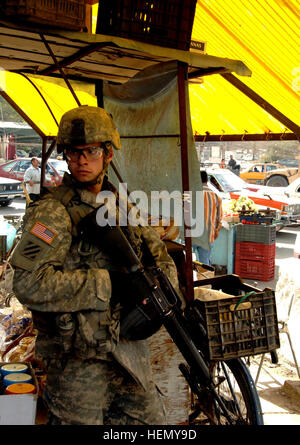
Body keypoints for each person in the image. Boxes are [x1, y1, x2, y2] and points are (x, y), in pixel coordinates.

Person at [10, 105, 181, 425]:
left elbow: (158, 255)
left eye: (90, 151)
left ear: (107, 154)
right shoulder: (52, 211)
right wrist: (107, 283)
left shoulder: (121, 204)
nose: (82, 160)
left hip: (128, 354)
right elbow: (28, 283)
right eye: (73, 153)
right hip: (77, 366)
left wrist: (158, 290)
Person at [192, 170, 223, 265]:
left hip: (192, 235)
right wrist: (215, 232)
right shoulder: (216, 196)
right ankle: (205, 279)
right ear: (207, 180)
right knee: (205, 264)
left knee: (188, 262)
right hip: (208, 236)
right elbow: (219, 218)